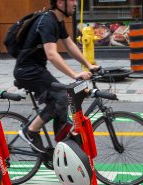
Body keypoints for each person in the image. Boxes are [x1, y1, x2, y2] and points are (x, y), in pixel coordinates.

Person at [14, 0, 99, 154]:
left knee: (63, 98)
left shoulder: (56, 20)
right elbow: (52, 54)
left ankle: (62, 141)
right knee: (60, 97)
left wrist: (89, 65)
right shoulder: (47, 21)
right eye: (72, 0)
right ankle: (31, 131)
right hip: (27, 71)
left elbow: (70, 45)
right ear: (60, 3)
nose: (75, 3)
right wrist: (74, 74)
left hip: (36, 69)